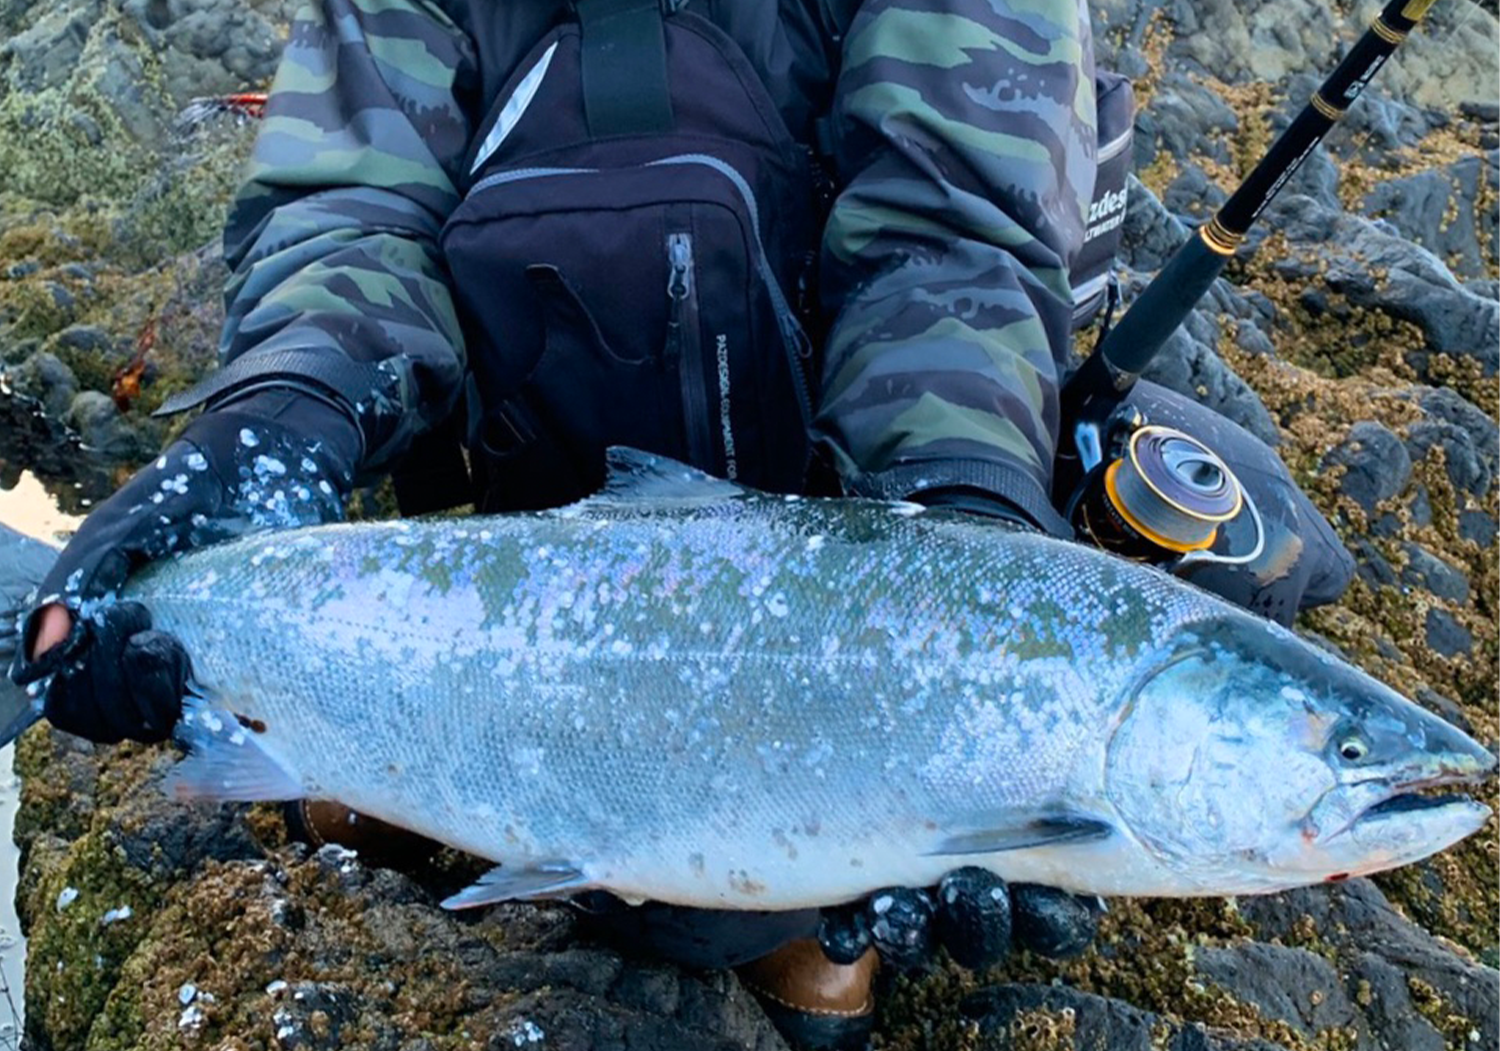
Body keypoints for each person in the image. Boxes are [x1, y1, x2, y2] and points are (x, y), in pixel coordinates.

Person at [10, 2, 1352, 1048]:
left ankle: (787, 902)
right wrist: (279, 426)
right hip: (534, 513)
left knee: (774, 885)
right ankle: (373, 731)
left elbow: (946, 245)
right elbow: (351, 207)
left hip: (836, 522)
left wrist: (966, 534)